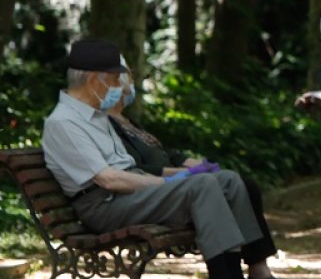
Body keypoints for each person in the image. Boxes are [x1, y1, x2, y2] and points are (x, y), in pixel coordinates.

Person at [42, 39, 266, 279]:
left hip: (130, 192)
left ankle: (256, 269)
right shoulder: (64, 122)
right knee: (202, 187)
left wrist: (184, 174)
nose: (120, 87)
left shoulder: (96, 116)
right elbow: (109, 180)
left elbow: (128, 169)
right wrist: (170, 183)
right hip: (105, 205)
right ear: (95, 80)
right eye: (116, 79)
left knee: (228, 180)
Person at [106, 62, 278, 278]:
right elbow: (134, 167)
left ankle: (258, 267)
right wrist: (178, 173)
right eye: (128, 78)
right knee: (211, 190)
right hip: (155, 186)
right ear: (116, 85)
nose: (132, 83)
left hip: (174, 177)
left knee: (244, 184)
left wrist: (191, 162)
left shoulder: (131, 122)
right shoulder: (107, 126)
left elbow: (163, 151)